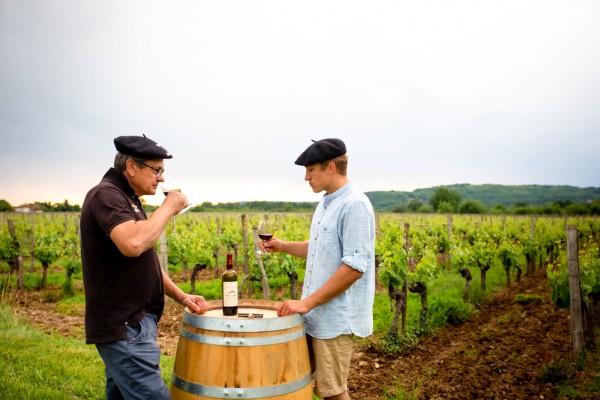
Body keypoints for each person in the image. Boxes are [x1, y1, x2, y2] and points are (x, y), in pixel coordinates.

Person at [80, 134, 209, 400]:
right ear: (131, 167)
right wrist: (168, 207)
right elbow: (133, 244)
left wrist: (181, 296)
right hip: (125, 325)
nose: (161, 178)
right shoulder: (107, 195)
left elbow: (144, 261)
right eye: (156, 170)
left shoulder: (128, 199)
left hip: (134, 322)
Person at [262, 138, 376, 400]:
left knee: (333, 393)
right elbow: (319, 249)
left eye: (311, 170)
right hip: (316, 316)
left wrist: (307, 303)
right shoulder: (326, 203)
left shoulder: (355, 205)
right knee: (292, 382)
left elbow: (354, 267)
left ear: (331, 168)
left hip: (335, 319)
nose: (306, 177)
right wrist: (282, 246)